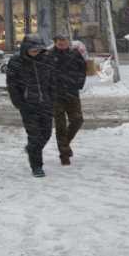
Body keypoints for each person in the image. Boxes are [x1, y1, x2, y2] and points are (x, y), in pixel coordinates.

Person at [7, 34, 57, 177]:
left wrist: (51, 98)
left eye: (38, 50)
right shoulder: (16, 61)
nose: (36, 53)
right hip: (28, 105)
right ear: (25, 49)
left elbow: (52, 81)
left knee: (46, 134)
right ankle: (37, 166)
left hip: (45, 103)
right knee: (35, 136)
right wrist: (20, 104)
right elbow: (12, 85)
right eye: (32, 51)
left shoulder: (47, 60)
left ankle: (32, 149)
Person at [45, 32, 87, 165]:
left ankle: (65, 144)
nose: (63, 46)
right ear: (55, 43)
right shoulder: (49, 55)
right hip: (56, 96)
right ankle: (64, 154)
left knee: (77, 120)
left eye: (65, 44)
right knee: (61, 126)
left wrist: (78, 83)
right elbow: (44, 74)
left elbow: (82, 68)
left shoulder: (74, 53)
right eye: (60, 44)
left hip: (72, 93)